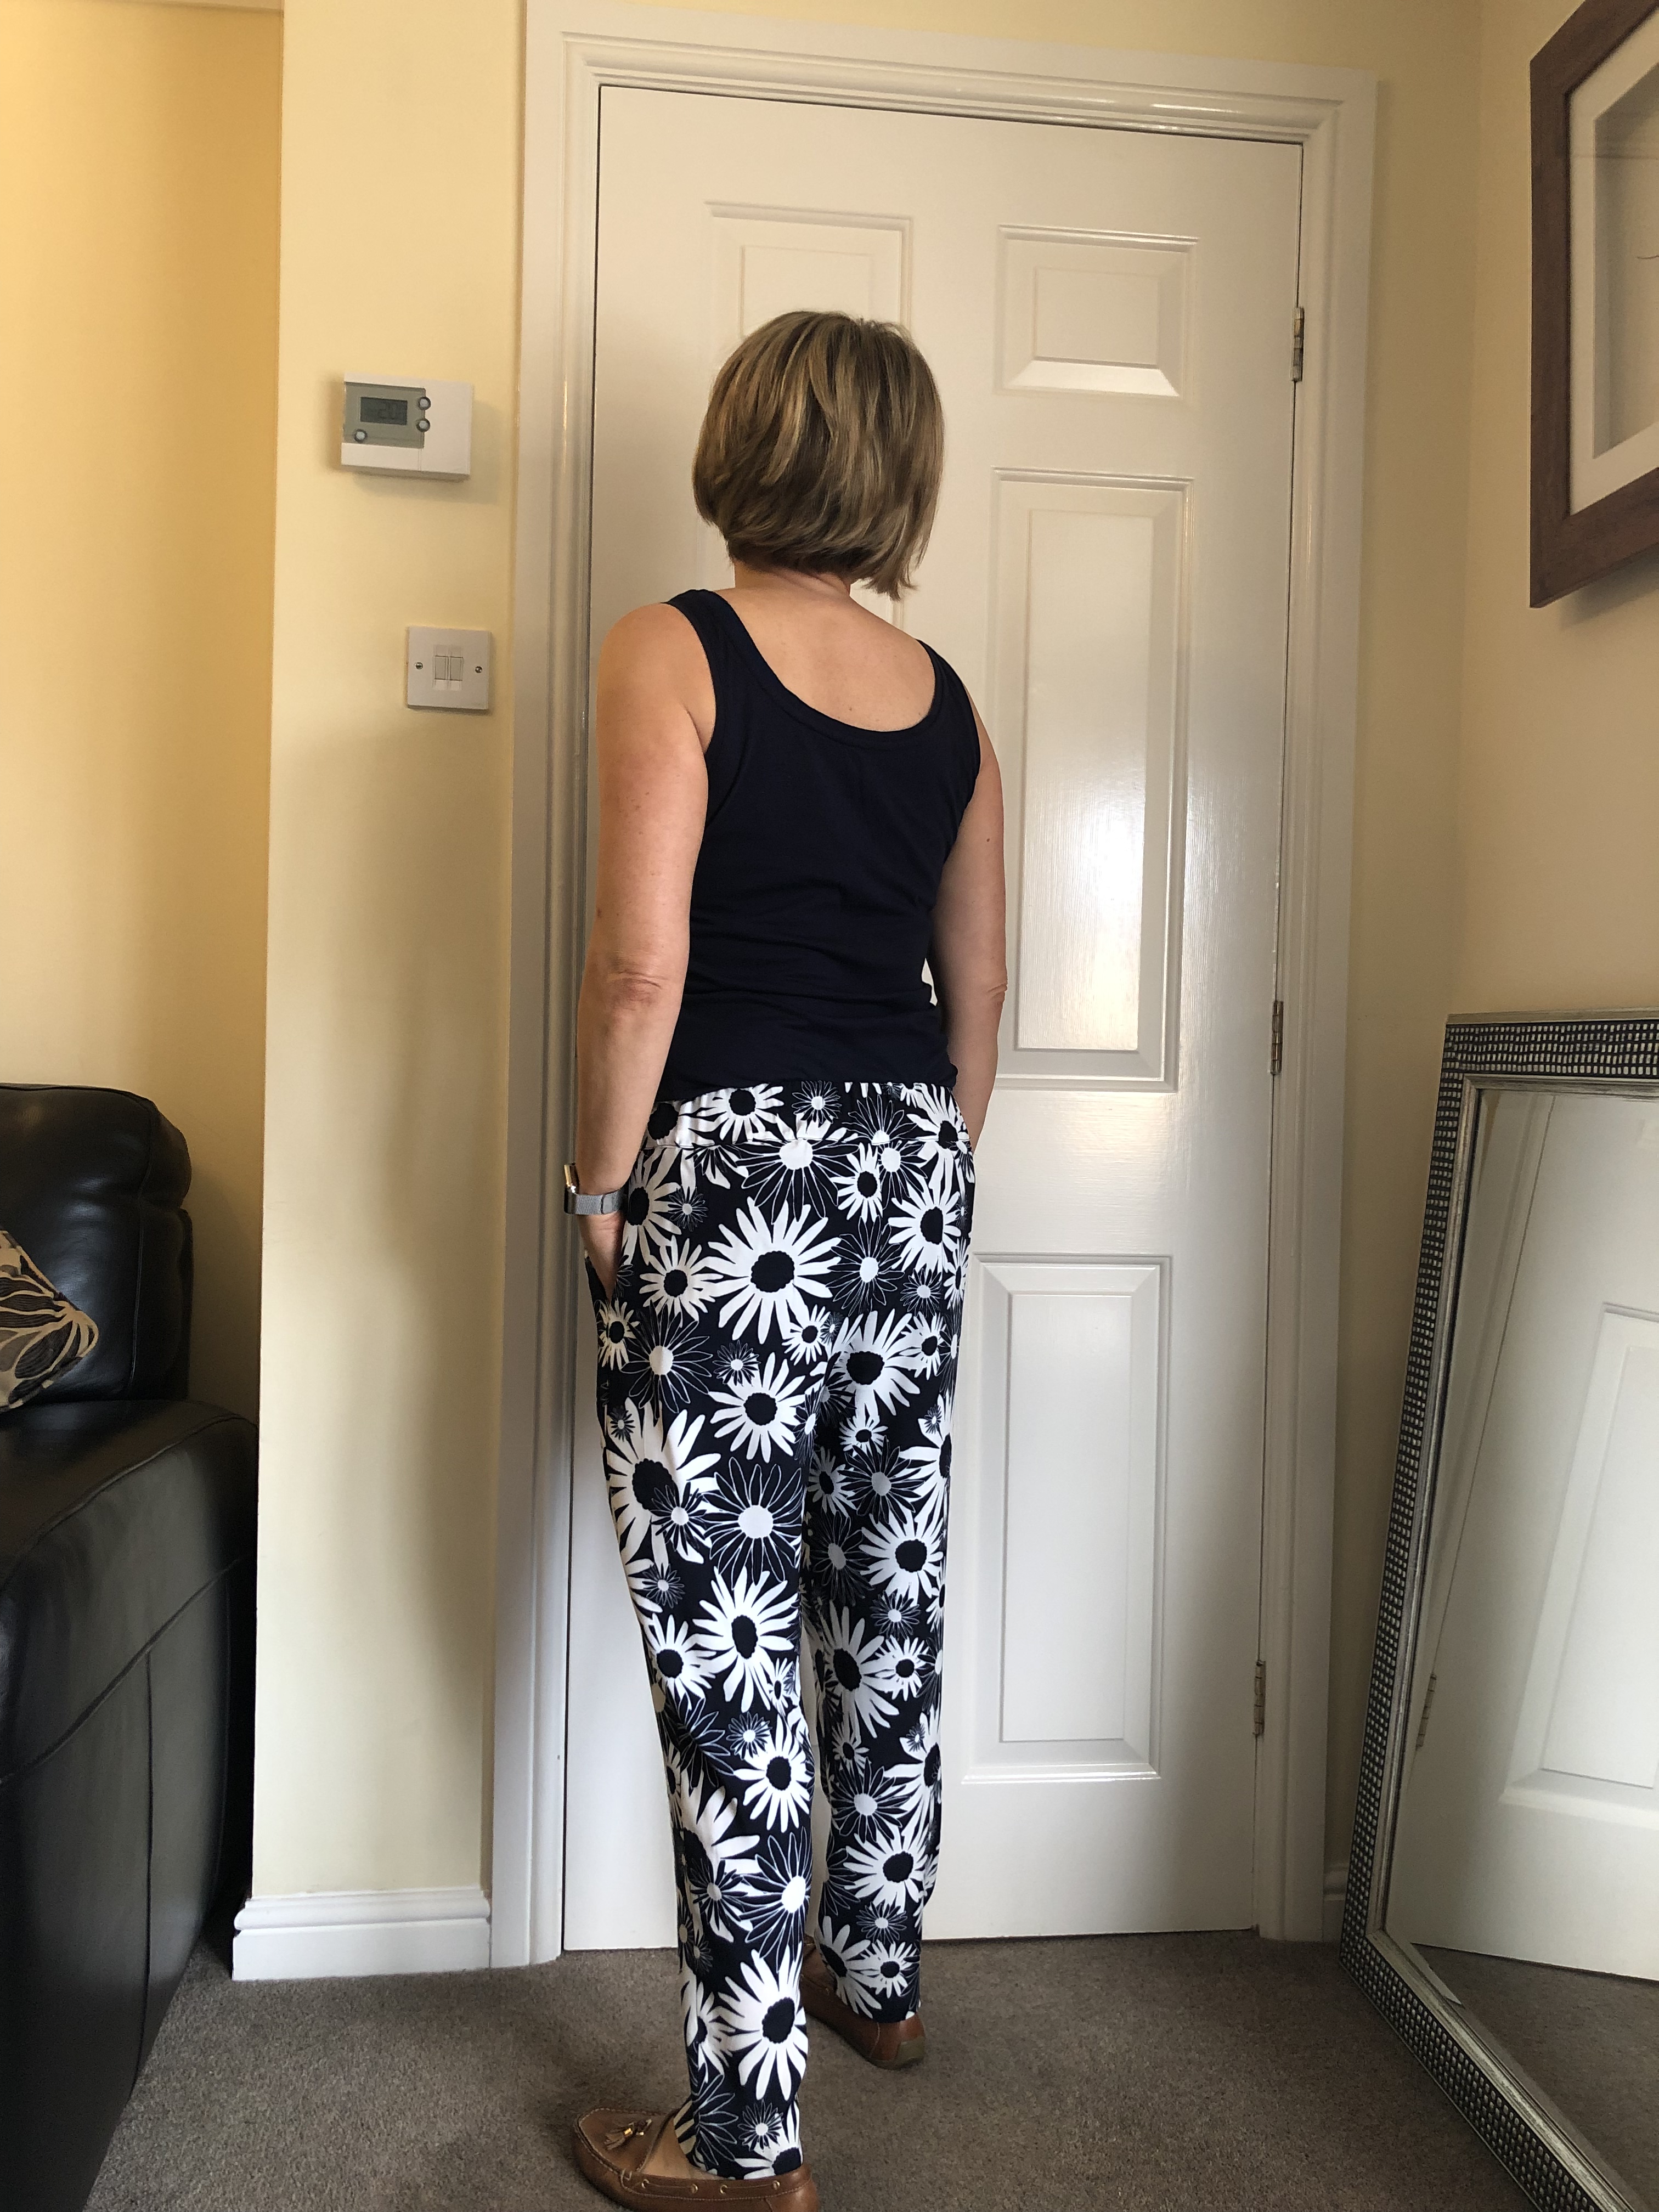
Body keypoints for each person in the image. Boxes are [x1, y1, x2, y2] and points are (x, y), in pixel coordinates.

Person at [567, 308, 1007, 2212]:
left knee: (728, 1643)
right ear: (901, 478)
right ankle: (876, 1975)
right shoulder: (952, 703)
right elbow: (982, 987)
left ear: (743, 442)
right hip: (910, 1169)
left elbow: (638, 967)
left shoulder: (671, 648)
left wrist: (599, 1194)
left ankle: (745, 2143)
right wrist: (927, 1177)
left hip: (732, 1182)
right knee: (883, 1582)